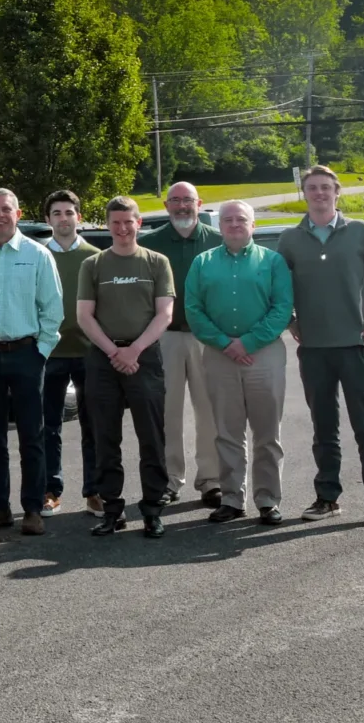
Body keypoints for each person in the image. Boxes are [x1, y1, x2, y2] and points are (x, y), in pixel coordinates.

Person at [276, 166, 364, 529]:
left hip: (356, 347)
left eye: (325, 188)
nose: (319, 193)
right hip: (315, 350)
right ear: (303, 194)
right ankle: (327, 498)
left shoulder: (362, 233)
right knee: (324, 430)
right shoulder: (291, 239)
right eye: (312, 188)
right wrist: (290, 320)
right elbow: (276, 286)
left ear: (337, 194)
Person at [185, 200, 294, 525]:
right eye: (228, 220)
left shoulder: (273, 262)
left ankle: (268, 500)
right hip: (219, 357)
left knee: (267, 433)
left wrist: (247, 342)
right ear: (219, 226)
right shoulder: (202, 262)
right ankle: (232, 498)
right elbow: (193, 309)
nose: (234, 224)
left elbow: (282, 308)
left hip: (264, 355)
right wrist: (224, 344)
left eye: (241, 219)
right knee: (227, 432)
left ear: (253, 224)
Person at [0, 189, 65, 537]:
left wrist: (41, 352)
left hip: (27, 354)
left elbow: (53, 309)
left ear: (18, 213)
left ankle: (33, 507)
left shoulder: (37, 255)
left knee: (32, 436)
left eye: (6, 209)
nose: (0, 215)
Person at [76, 197, 175, 539]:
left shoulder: (156, 262)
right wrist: (114, 352)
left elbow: (164, 314)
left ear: (139, 222)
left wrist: (134, 350)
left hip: (144, 356)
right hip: (103, 359)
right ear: (107, 224)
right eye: (115, 222)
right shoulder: (93, 264)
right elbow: (84, 316)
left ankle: (152, 511)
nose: (122, 228)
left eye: (128, 222)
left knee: (151, 437)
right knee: (105, 438)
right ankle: (112, 511)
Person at [139, 182, 225, 508]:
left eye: (187, 200)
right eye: (174, 200)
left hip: (209, 339)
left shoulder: (218, 242)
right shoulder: (149, 245)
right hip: (165, 339)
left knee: (210, 412)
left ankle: (212, 481)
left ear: (199, 203)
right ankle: (169, 480)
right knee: (166, 413)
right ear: (165, 205)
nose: (181, 206)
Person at [40, 191, 102, 516]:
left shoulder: (96, 258)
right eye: (56, 213)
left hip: (88, 353)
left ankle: (94, 491)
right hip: (48, 354)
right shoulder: (37, 256)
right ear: (48, 219)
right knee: (48, 426)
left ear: (78, 216)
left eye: (69, 212)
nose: (63, 219)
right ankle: (51, 490)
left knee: (93, 425)